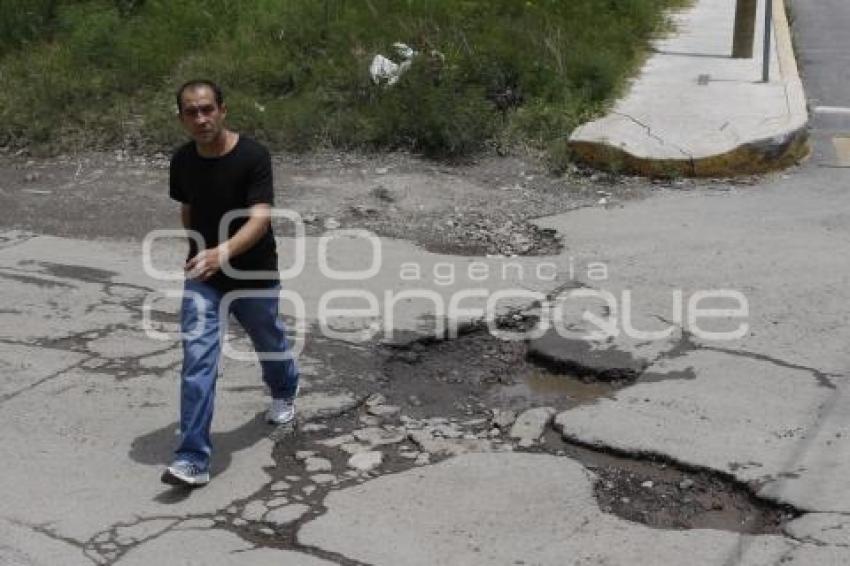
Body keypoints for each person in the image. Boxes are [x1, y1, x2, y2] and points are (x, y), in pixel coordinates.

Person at [161, 79, 300, 488]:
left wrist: (223, 251)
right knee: (198, 360)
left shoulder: (253, 156)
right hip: (205, 276)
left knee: (268, 340)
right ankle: (192, 459)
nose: (201, 119)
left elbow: (260, 218)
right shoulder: (182, 161)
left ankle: (285, 389)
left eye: (207, 109)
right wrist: (198, 252)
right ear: (182, 118)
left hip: (253, 273)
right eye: (192, 112)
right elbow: (188, 208)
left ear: (223, 109)